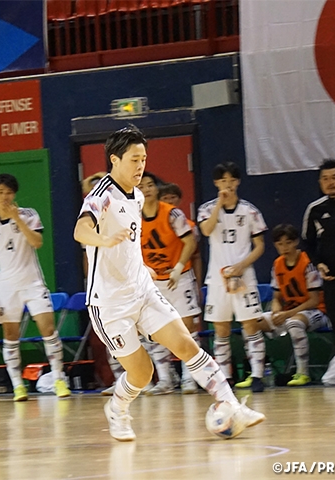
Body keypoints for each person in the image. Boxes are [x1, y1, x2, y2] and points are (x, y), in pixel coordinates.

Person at [74, 125, 264, 441]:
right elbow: (80, 231)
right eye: (134, 159)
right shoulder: (101, 195)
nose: (140, 167)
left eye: (144, 159)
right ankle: (117, 409)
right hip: (109, 303)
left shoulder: (134, 194)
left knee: (186, 345)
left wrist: (140, 268)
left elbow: (131, 244)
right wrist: (103, 240)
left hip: (142, 291)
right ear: (115, 159)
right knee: (142, 373)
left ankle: (230, 404)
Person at [0, 173, 71, 401]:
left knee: (48, 329)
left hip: (33, 282)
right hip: (7, 286)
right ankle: (18, 385)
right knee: (10, 335)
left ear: (14, 194)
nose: (5, 197)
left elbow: (37, 242)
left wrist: (17, 218)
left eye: (8, 192)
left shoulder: (29, 216)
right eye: (0, 193)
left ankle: (59, 379)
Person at [197, 162, 268, 393]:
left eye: (231, 180)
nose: (227, 184)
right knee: (221, 328)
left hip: (243, 275)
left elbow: (259, 246)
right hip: (217, 278)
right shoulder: (207, 209)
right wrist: (219, 202)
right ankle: (225, 378)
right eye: (222, 180)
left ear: (237, 182)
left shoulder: (250, 211)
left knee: (250, 325)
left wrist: (240, 266)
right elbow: (206, 231)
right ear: (216, 183)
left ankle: (257, 375)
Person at [240, 224, 330, 387]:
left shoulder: (307, 262)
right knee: (250, 323)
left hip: (315, 312)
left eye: (288, 242)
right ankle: (255, 374)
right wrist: (276, 310)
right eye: (280, 244)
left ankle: (303, 373)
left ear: (296, 242)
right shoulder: (278, 264)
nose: (284, 247)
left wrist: (286, 314)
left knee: (294, 323)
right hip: (289, 311)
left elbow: (314, 300)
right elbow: (276, 297)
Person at [138, 172, 201, 395]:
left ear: (157, 188)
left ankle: (189, 377)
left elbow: (190, 241)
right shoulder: (133, 218)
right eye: (141, 186)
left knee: (187, 328)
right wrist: (143, 268)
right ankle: (164, 379)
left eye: (150, 185)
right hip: (153, 282)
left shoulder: (172, 214)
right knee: (154, 330)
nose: (146, 189)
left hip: (179, 277)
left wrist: (178, 266)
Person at [302, 158, 335, 387]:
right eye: (326, 179)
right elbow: (307, 243)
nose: (331, 183)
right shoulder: (316, 209)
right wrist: (318, 264)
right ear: (320, 182)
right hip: (332, 278)